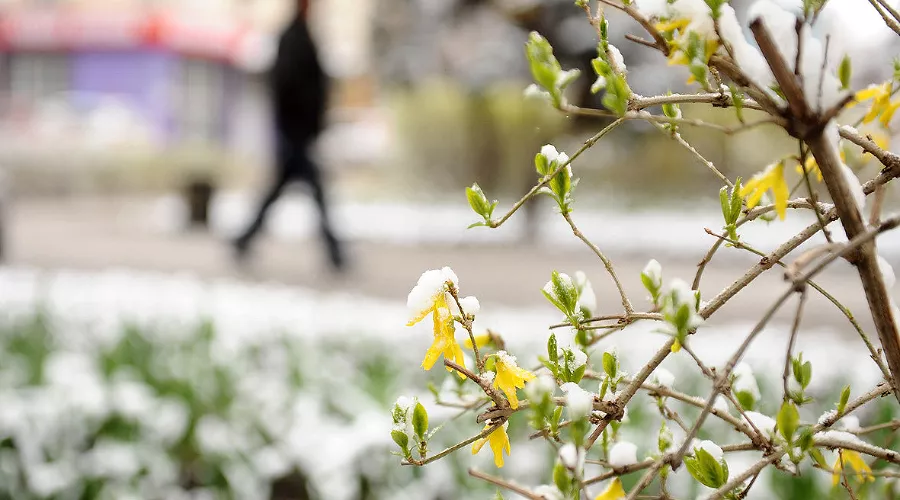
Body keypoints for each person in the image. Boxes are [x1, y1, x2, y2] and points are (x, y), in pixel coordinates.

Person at [233, 0, 344, 270]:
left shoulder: (300, 36)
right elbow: (290, 88)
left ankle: (244, 239)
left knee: (284, 191)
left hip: (298, 134)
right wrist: (298, 128)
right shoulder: (294, 39)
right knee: (315, 194)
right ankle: (336, 253)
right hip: (296, 135)